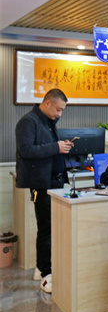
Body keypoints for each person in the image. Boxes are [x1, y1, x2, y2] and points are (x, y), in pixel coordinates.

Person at [15, 89, 73, 294]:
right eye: (58, 109)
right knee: (46, 228)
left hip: (54, 181)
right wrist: (56, 147)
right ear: (47, 103)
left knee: (51, 227)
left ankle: (42, 269)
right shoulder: (28, 122)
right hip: (41, 183)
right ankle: (46, 273)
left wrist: (61, 147)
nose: (60, 114)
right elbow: (26, 150)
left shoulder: (49, 122)